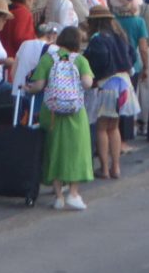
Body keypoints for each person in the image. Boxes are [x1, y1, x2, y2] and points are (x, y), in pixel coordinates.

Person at [26, 24, 98, 210]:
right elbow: (88, 83)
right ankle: (73, 193)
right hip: (75, 112)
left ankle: (58, 196)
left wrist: (28, 88)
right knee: (76, 152)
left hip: (51, 113)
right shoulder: (80, 60)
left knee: (54, 152)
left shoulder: (48, 59)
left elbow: (38, 86)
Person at [82, 9, 135, 182]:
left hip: (107, 83)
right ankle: (116, 167)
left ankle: (104, 168)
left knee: (102, 128)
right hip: (124, 83)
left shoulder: (98, 39)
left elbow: (99, 59)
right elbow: (132, 56)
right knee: (114, 126)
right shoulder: (120, 35)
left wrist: (95, 75)